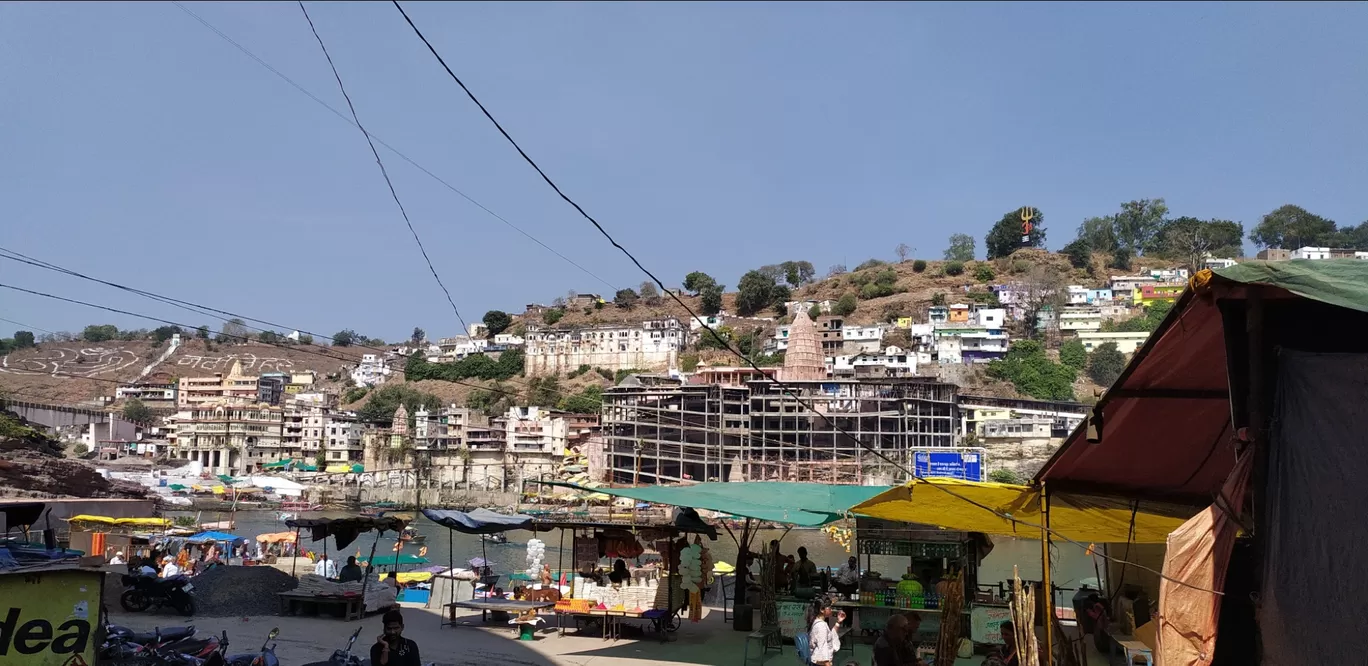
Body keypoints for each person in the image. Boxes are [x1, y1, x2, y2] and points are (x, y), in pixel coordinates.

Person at [807, 596, 845, 666]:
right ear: (822, 609)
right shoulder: (821, 626)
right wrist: (828, 664)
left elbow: (830, 636)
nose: (831, 609)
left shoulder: (819, 623)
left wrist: (838, 622)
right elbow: (822, 649)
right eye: (830, 607)